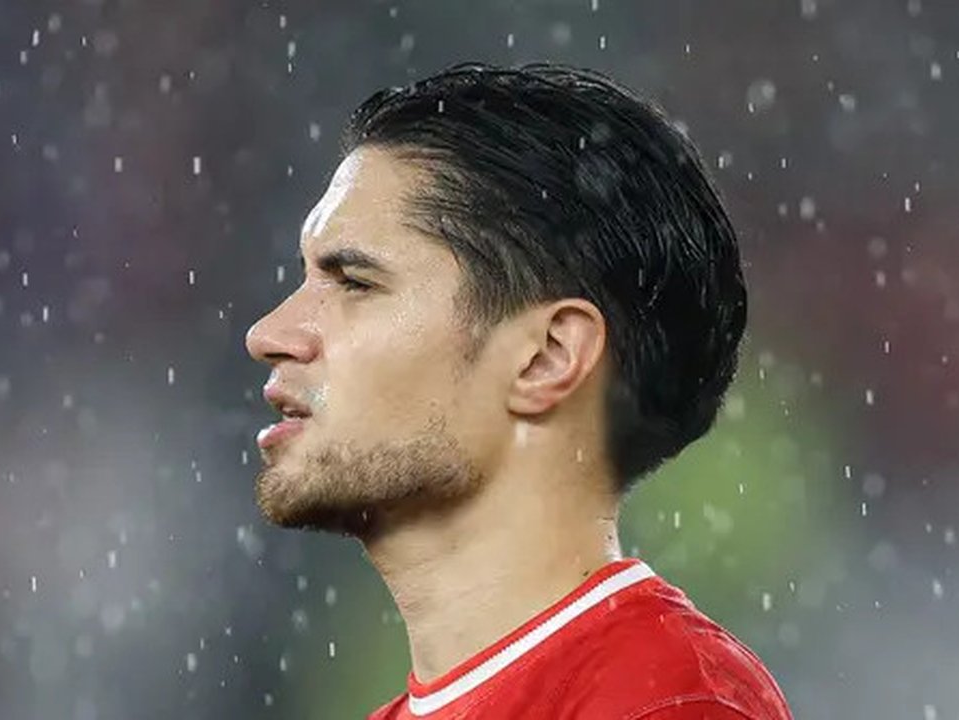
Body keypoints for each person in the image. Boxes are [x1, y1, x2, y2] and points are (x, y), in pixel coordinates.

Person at [244, 61, 792, 720]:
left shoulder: (666, 702)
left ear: (546, 357)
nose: (268, 334)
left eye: (355, 283)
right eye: (305, 280)